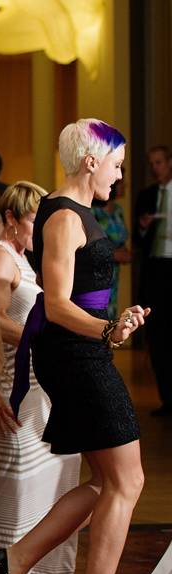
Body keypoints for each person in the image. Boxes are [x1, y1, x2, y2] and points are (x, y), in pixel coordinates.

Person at [0, 119, 147, 574]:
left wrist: (111, 326)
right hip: (77, 361)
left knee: (106, 482)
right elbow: (55, 304)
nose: (119, 176)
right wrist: (110, 329)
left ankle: (16, 558)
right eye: (116, 165)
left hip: (82, 355)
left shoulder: (72, 214)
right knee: (128, 480)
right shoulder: (64, 217)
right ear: (92, 161)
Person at [0, 180, 81, 574]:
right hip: (17, 383)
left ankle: (30, 562)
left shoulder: (25, 259)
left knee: (53, 473)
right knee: (19, 478)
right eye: (35, 220)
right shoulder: (0, 257)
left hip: (40, 382)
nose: (43, 229)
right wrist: (49, 337)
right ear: (11, 219)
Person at [134, 145, 172, 416]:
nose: (155, 168)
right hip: (156, 271)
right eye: (152, 163)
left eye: (159, 162)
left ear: (169, 163)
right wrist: (143, 227)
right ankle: (166, 399)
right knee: (158, 336)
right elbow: (137, 242)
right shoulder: (146, 196)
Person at [92, 180, 131, 319]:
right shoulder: (92, 211)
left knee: (112, 313)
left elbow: (121, 240)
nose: (125, 186)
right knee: (99, 315)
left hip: (114, 274)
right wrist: (114, 255)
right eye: (122, 183)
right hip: (97, 273)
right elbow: (89, 247)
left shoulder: (118, 210)